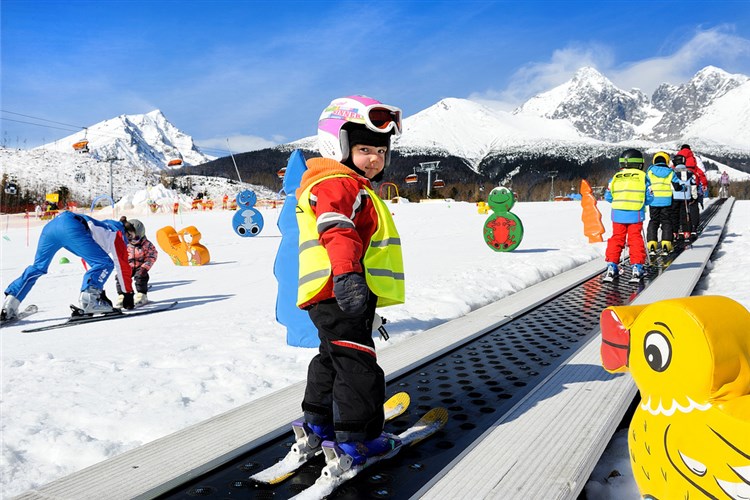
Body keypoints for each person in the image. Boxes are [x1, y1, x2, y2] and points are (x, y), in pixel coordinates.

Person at [294, 95, 405, 465]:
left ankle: (318, 423)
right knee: (358, 365)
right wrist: (346, 274)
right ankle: (359, 440)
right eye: (363, 149)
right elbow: (336, 229)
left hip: (328, 294)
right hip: (341, 289)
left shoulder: (339, 183)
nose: (375, 158)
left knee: (332, 356)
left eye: (380, 151)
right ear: (337, 146)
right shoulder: (340, 184)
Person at [1, 211, 135, 321]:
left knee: (38, 267)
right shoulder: (117, 233)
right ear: (127, 232)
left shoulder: (103, 227)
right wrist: (127, 293)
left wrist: (99, 291)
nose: (131, 242)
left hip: (52, 226)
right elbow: (123, 266)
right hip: (71, 226)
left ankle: (11, 302)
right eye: (132, 238)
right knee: (105, 263)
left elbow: (88, 262)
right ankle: (90, 302)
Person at [603, 149, 653, 282]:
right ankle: (637, 267)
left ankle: (612, 266)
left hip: (618, 214)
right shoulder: (643, 177)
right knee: (635, 239)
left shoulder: (615, 177)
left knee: (616, 238)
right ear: (640, 164)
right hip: (635, 214)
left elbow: (608, 196)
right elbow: (650, 197)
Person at [645, 152, 682, 255]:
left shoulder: (650, 171)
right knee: (666, 222)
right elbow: (677, 186)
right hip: (666, 201)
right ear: (666, 161)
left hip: (654, 201)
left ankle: (652, 245)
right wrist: (682, 188)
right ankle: (666, 245)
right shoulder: (670, 172)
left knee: (653, 221)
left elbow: (646, 184)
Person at [116, 218, 158, 307]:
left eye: (136, 238)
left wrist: (145, 266)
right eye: (130, 238)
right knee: (121, 277)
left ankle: (142, 295)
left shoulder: (146, 244)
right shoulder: (125, 244)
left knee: (140, 276)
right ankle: (122, 295)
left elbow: (152, 255)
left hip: (141, 265)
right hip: (128, 265)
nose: (133, 241)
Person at [671, 155, 699, 241]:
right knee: (686, 214)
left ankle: (675, 232)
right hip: (686, 197)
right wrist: (694, 196)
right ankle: (686, 232)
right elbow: (693, 185)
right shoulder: (690, 172)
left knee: (674, 215)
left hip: (674, 196)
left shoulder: (672, 172)